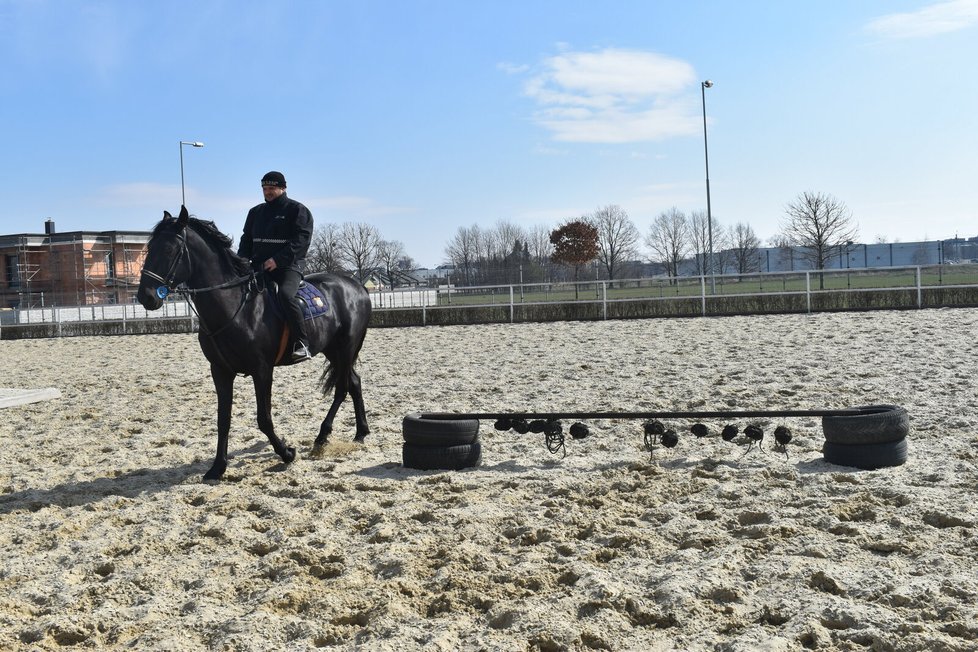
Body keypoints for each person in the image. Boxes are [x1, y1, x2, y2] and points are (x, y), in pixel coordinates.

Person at [238, 171, 314, 361]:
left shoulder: (298, 210)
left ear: (283, 188)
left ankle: (302, 343)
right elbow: (246, 240)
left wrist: (277, 260)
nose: (267, 192)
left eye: (271, 188)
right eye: (264, 188)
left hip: (288, 267)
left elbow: (301, 241)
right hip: (258, 267)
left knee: (286, 296)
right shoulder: (255, 212)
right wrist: (240, 261)